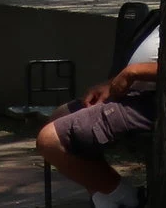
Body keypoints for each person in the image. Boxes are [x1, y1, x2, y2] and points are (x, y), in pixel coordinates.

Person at [35, 18, 157, 208]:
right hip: (132, 93)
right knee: (60, 116)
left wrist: (133, 72)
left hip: (153, 102)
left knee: (51, 139)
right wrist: (112, 83)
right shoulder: (162, 12)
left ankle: (128, 200)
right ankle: (114, 198)